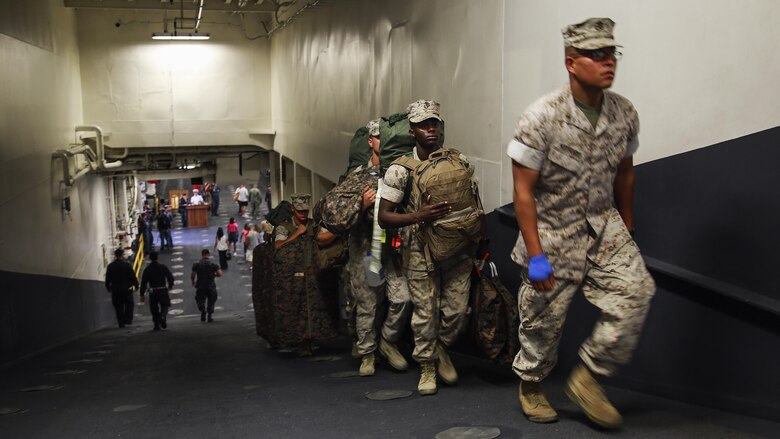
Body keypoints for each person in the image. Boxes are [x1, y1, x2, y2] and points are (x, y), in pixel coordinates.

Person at [507, 18, 656, 429]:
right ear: (571, 62)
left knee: (637, 292)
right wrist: (535, 254)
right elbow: (522, 191)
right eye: (596, 54)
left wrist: (625, 222)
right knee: (541, 321)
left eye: (612, 53)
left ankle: (588, 377)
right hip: (552, 229)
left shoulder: (624, 113)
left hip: (603, 224)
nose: (608, 62)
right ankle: (532, 384)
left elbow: (625, 172)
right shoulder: (541, 117)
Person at [378, 100, 480, 396]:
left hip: (458, 247)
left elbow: (473, 199)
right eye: (423, 125)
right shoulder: (400, 170)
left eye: (434, 123)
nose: (430, 129)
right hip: (420, 250)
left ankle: (441, 348)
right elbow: (384, 218)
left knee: (457, 311)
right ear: (412, 131)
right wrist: (417, 216)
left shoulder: (458, 160)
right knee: (425, 311)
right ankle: (427, 367)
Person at [139, 251, 174, 331]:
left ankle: (156, 324)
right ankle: (163, 316)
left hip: (153, 291)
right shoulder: (163, 267)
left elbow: (143, 282)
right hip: (162, 289)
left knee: (154, 308)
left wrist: (142, 294)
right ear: (157, 258)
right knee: (165, 305)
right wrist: (170, 286)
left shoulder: (147, 269)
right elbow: (170, 277)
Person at [105, 248, 139, 328]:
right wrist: (136, 285)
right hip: (127, 289)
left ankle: (121, 323)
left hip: (116, 290)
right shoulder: (127, 265)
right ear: (122, 255)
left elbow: (108, 279)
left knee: (118, 306)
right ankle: (128, 319)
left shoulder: (110, 266)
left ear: (115, 255)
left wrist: (108, 287)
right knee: (129, 304)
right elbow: (132, 276)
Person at [191, 249, 223, 323]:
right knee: (211, 300)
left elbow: (193, 275)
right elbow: (220, 274)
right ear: (209, 254)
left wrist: (193, 282)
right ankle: (209, 316)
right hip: (210, 285)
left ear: (202, 254)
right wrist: (214, 275)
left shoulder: (197, 264)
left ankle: (203, 310)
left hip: (200, 285)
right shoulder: (213, 264)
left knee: (199, 300)